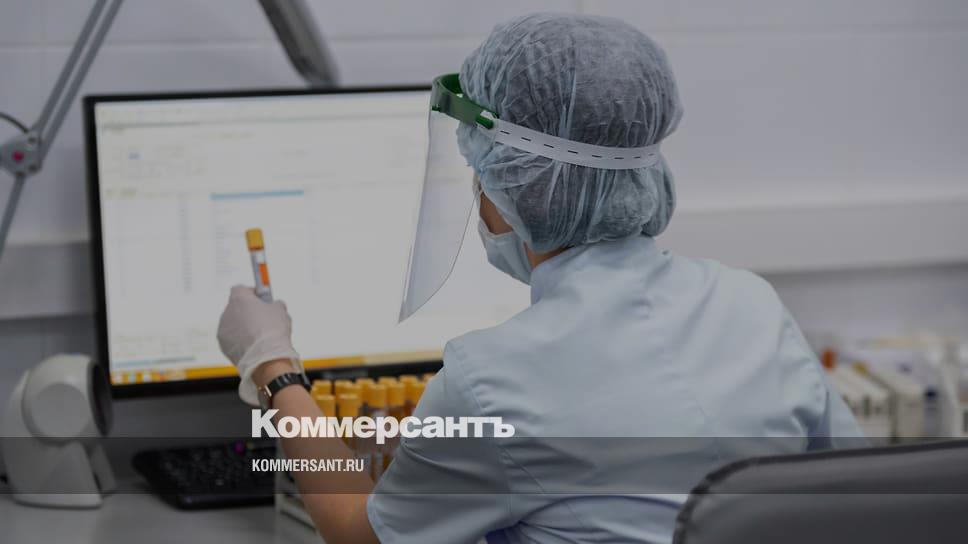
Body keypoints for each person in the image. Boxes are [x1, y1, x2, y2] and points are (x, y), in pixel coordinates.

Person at [217, 13, 863, 544]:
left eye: (482, 171)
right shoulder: (752, 304)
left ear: (516, 186)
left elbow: (360, 534)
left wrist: (274, 366)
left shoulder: (492, 380)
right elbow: (857, 485)